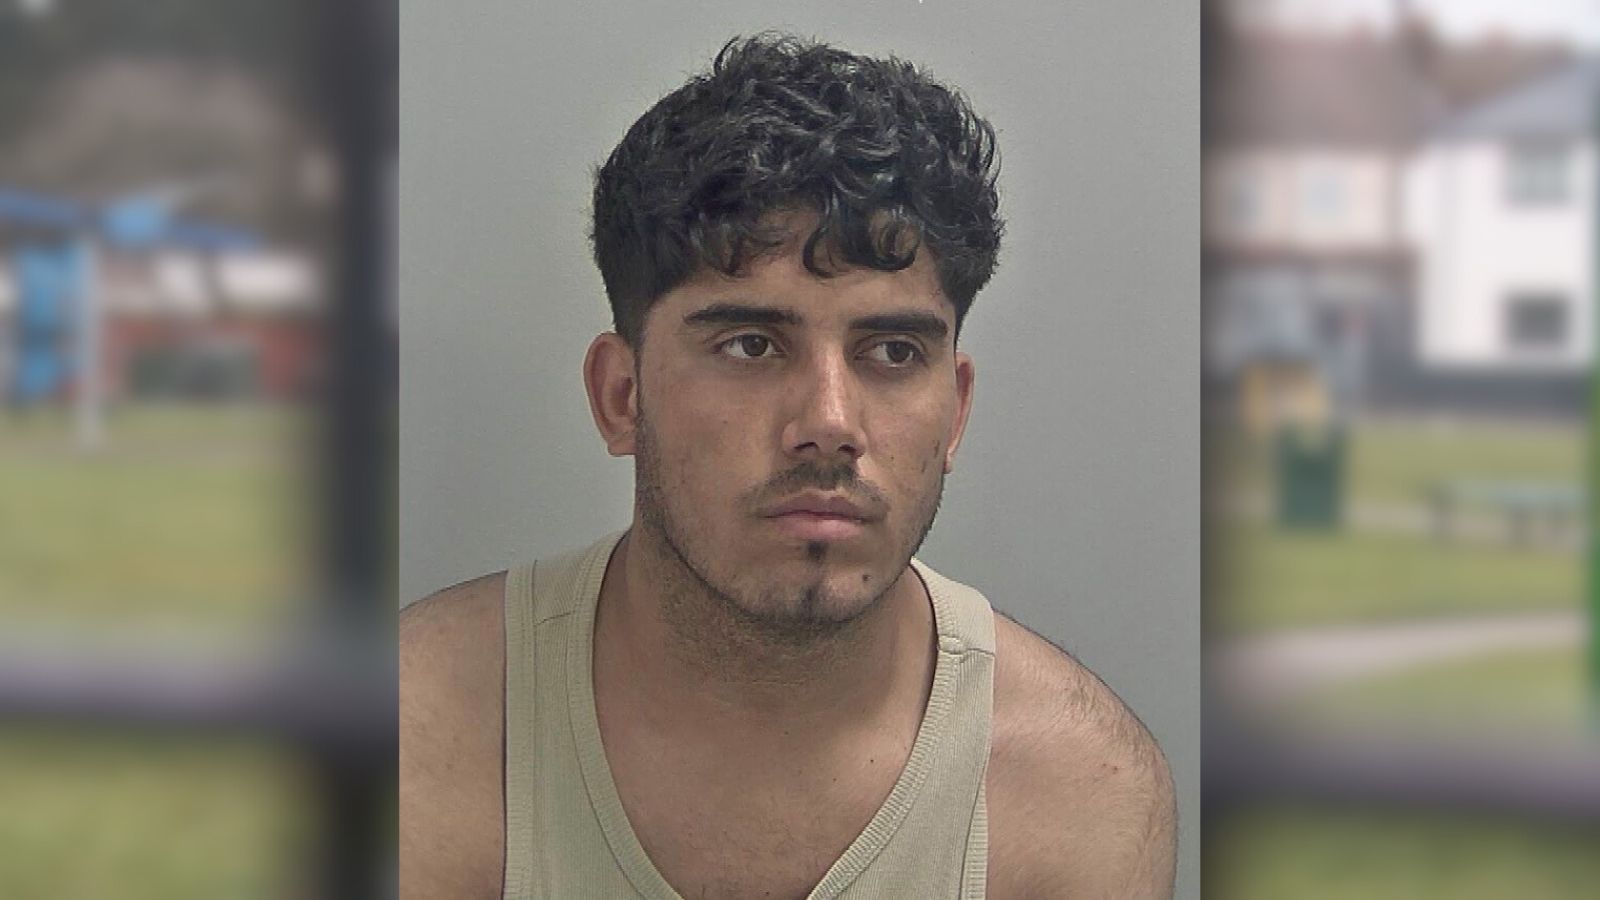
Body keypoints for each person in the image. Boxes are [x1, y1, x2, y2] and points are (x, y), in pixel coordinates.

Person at [401, 33, 1176, 899]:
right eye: (751, 344)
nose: (829, 424)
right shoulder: (413, 746)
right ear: (622, 395)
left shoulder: (1074, 795)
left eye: (892, 351)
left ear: (955, 412)